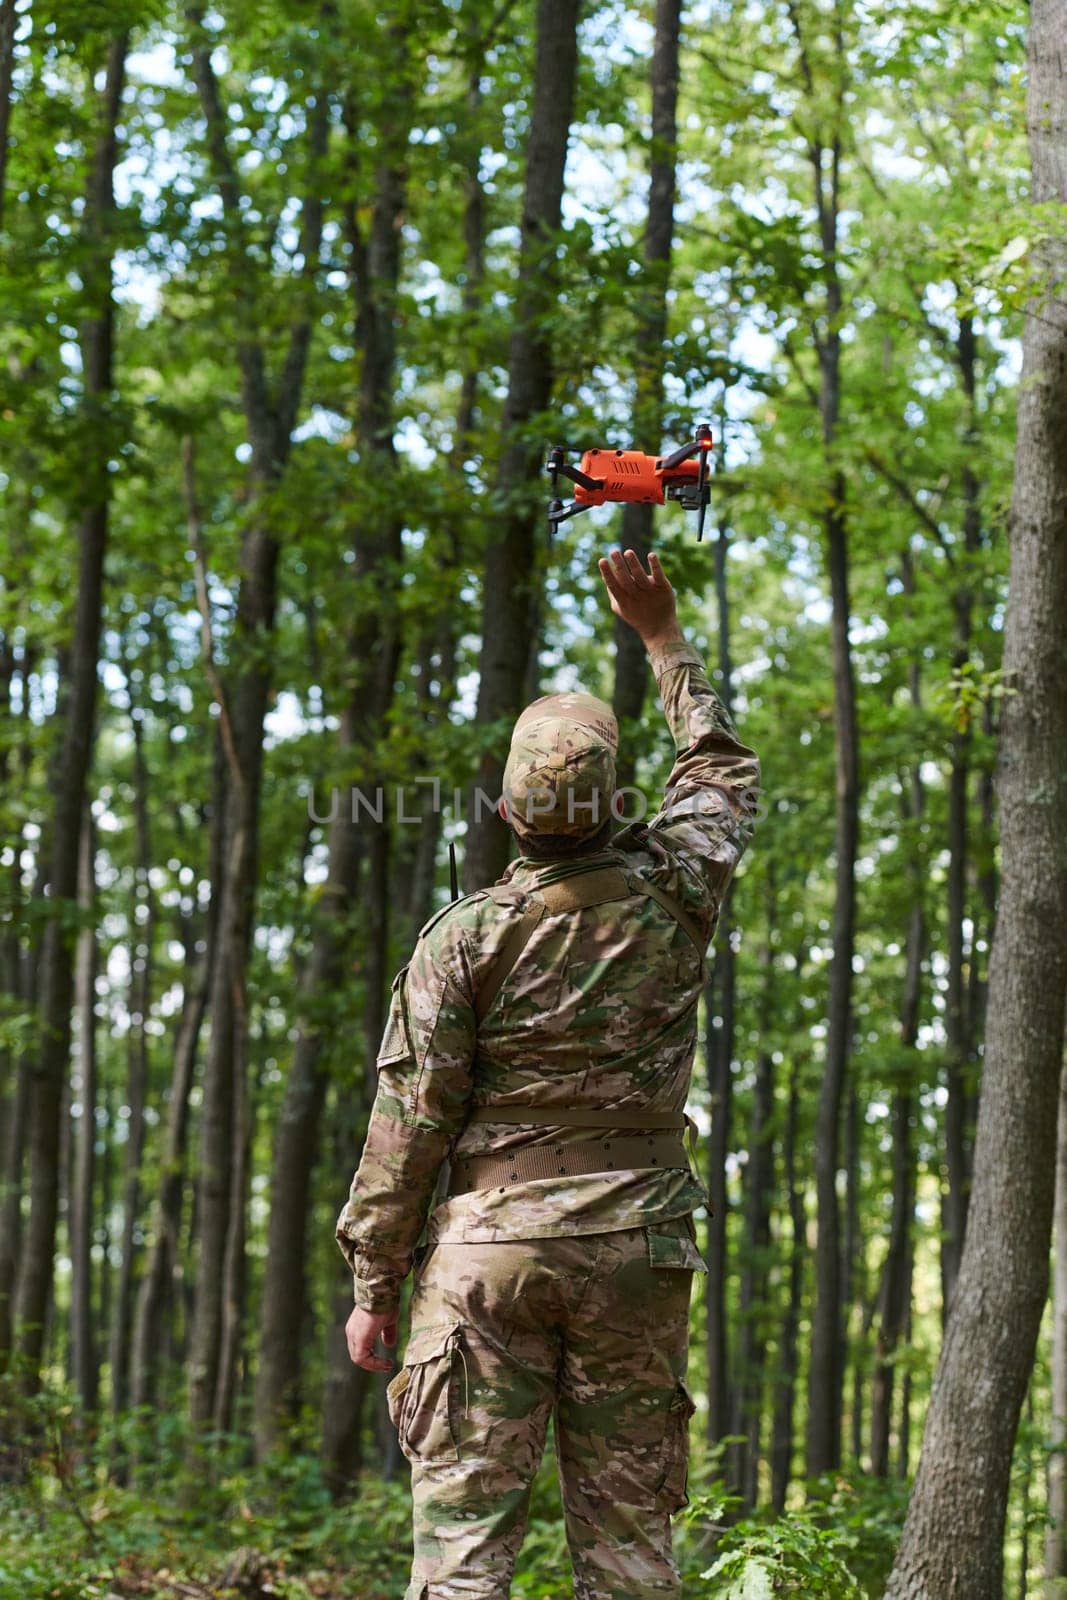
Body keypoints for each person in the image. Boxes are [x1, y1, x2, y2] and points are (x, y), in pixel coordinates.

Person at [335, 547, 761, 1600]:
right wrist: (660, 637)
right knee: (628, 1551)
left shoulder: (462, 940)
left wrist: (372, 1285)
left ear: (503, 810)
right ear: (615, 801)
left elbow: (407, 1129)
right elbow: (716, 771)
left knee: (463, 1557)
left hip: (487, 1260)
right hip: (634, 1247)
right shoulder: (677, 886)